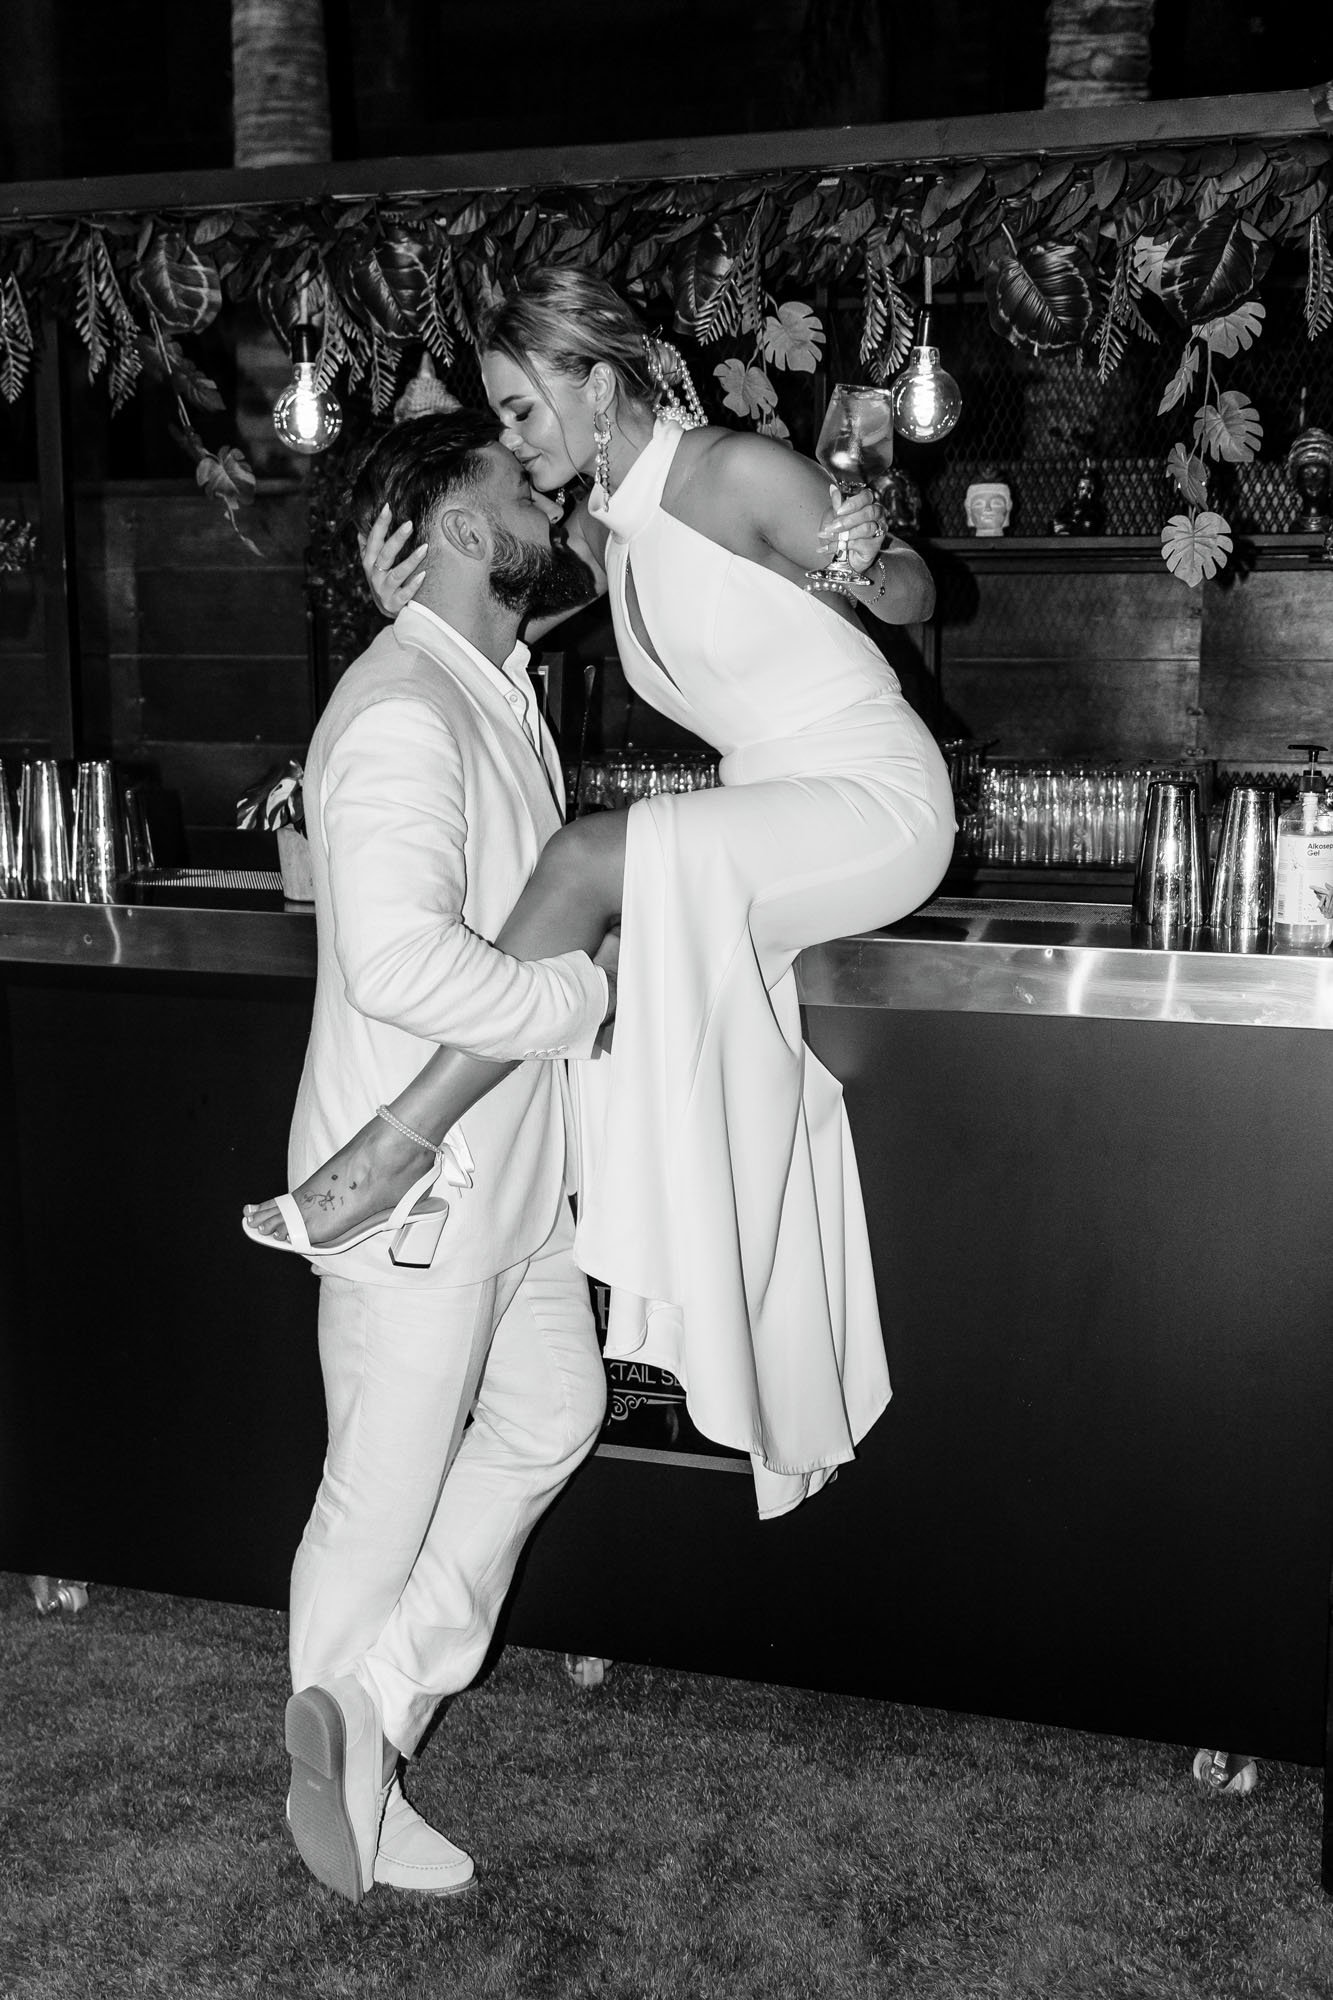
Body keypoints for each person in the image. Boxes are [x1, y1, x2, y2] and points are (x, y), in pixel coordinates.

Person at [247, 265, 955, 1524]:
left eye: (520, 411)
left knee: (581, 860)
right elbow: (489, 611)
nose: (511, 439)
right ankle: (448, 1161)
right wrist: (394, 600)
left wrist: (873, 556)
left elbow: (917, 597)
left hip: (869, 792)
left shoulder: (734, 473)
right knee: (612, 943)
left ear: (601, 386)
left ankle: (401, 1141)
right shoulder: (607, 533)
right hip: (774, 808)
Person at [243, 407, 619, 1905]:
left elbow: (583, 563)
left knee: (553, 1410)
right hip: (419, 1197)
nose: (551, 496)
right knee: (378, 1497)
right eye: (519, 482)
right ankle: (354, 1796)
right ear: (465, 531)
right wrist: (573, 1001)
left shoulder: (486, 676)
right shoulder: (405, 703)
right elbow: (399, 960)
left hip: (502, 1186)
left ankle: (367, 1714)